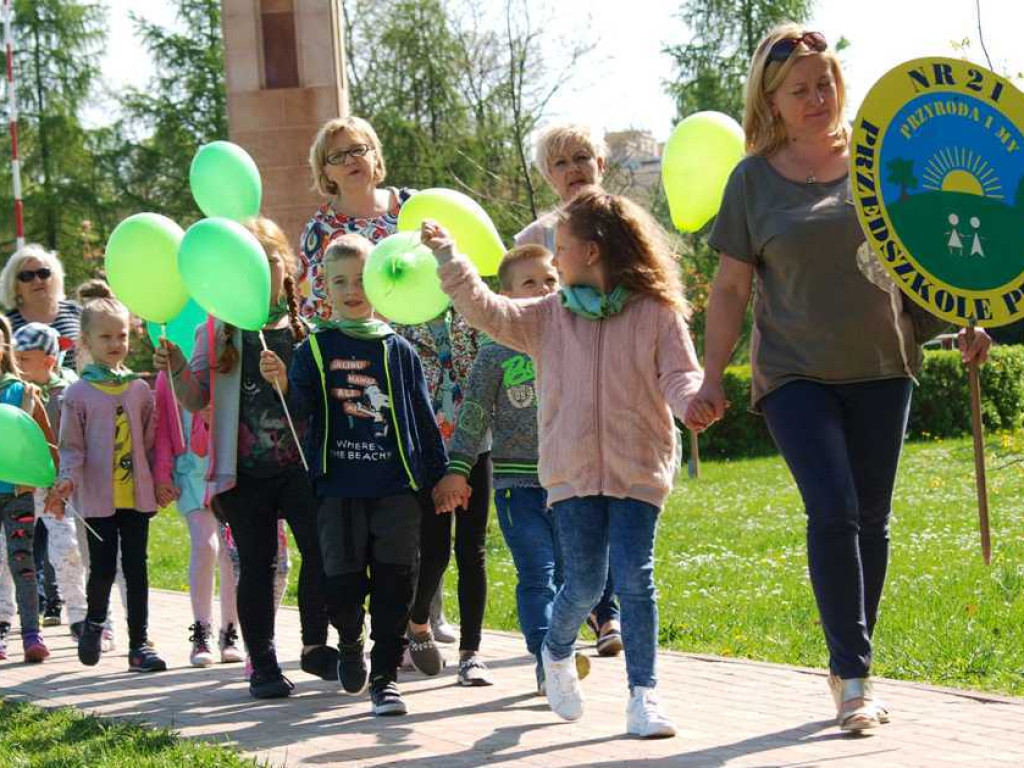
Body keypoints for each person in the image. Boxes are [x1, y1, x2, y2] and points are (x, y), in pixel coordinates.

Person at [682, 25, 992, 732]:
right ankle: (853, 680)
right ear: (773, 99)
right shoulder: (751, 181)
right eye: (800, 90)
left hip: (885, 363)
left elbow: (931, 262)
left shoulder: (884, 162)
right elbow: (730, 290)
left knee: (872, 522)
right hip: (795, 373)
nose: (817, 98)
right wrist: (711, 376)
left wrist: (962, 324)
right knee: (833, 508)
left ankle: (850, 662)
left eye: (825, 83)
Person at [424, 187, 703, 738]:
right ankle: (555, 652)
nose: (555, 259)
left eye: (563, 248)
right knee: (582, 581)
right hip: (570, 474)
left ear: (593, 251)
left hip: (638, 468)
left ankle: (643, 695)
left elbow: (680, 374)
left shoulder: (656, 311)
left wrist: (693, 402)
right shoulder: (550, 318)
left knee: (635, 580)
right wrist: (450, 259)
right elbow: (488, 310)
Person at [261, 234, 447, 715]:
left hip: (394, 487)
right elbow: (301, 408)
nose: (351, 289)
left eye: (361, 278)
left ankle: (385, 678)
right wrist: (282, 380)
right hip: (339, 487)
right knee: (341, 585)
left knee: (395, 583)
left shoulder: (398, 349)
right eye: (339, 280)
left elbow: (422, 417)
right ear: (323, 287)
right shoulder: (315, 350)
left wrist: (442, 475)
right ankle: (349, 640)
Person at [154, 217, 338, 699]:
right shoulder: (218, 332)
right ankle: (264, 664)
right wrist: (175, 367)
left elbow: (325, 399)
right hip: (244, 474)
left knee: (320, 554)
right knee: (256, 566)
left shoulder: (306, 330)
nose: (260, 271)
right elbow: (194, 398)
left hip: (302, 468)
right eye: (248, 262)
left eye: (269, 260)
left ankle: (317, 646)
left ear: (288, 269)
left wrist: (289, 380)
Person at [433, 243, 596, 695]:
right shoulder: (494, 355)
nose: (543, 289)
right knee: (537, 574)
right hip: (516, 486)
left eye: (550, 280)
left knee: (573, 578)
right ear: (504, 297)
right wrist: (458, 468)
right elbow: (472, 418)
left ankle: (560, 646)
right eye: (530, 283)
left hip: (570, 483)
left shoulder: (579, 340)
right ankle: (547, 659)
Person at [514, 123, 623, 656]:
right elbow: (517, 308)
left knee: (622, 496)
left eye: (583, 157)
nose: (574, 168)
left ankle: (612, 616)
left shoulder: (627, 226)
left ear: (602, 164)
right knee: (580, 500)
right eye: (560, 163)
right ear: (547, 176)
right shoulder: (535, 237)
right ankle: (589, 610)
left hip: (622, 382)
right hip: (565, 386)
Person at [50, 282, 167, 672]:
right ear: (86, 340)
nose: (115, 343)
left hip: (136, 497)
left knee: (137, 567)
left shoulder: (137, 389)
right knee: (102, 568)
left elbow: (152, 441)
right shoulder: (78, 395)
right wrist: (67, 479)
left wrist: (161, 478)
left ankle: (139, 644)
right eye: (105, 336)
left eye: (121, 335)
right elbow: (72, 447)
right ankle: (95, 623)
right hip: (99, 498)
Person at [153, 375, 244, 667]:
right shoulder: (168, 374)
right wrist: (162, 473)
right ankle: (201, 631)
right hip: (190, 473)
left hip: (227, 472)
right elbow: (165, 428)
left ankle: (230, 632)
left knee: (231, 556)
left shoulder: (227, 368)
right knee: (205, 546)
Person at [12, 323, 87, 637]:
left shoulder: (65, 395)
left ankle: (80, 616)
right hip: (24, 487)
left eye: (24, 360)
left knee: (66, 549)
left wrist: (63, 479)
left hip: (58, 486)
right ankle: (17, 617)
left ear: (48, 362)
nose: (18, 367)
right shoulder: (16, 393)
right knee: (16, 552)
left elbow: (68, 443)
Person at [299, 116, 414, 321]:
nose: (350, 160)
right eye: (337, 156)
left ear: (375, 155)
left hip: (431, 342)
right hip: (362, 348)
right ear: (326, 172)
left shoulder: (413, 205)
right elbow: (313, 309)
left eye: (358, 149)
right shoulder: (320, 230)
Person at [0, 314, 55, 663]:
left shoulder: (20, 391)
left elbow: (46, 440)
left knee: (23, 563)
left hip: (17, 493)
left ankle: (31, 634)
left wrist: (54, 482)